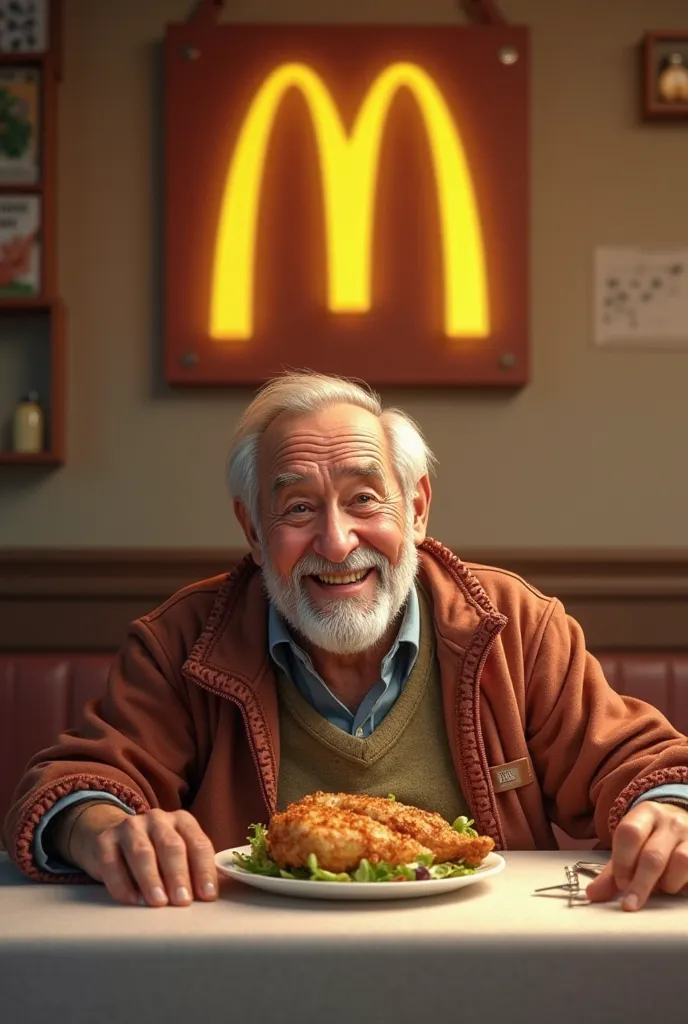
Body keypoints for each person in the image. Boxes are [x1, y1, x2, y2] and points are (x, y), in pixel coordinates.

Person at [4, 371, 688, 912]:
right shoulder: (181, 640)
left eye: (365, 499)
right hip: (248, 982)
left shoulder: (515, 626)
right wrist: (103, 831)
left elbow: (641, 764)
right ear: (253, 530)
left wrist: (667, 813)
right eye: (299, 508)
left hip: (487, 972)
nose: (336, 543)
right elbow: (72, 786)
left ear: (416, 509)